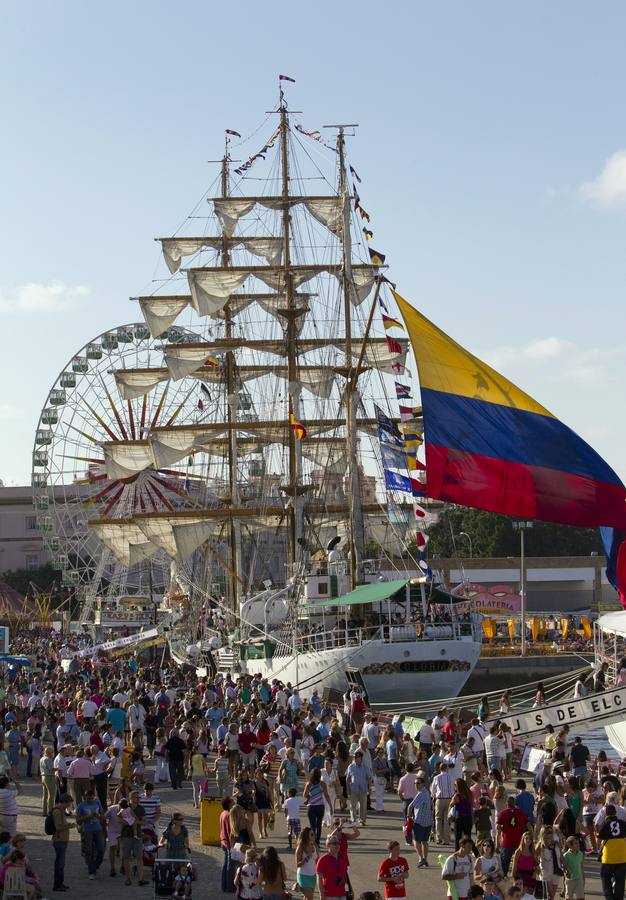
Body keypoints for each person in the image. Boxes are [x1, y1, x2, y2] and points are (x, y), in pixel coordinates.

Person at [119, 790, 148, 886]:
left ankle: (141, 879)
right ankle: (127, 878)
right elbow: (119, 819)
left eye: (139, 797)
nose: (139, 799)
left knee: (139, 857)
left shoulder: (141, 808)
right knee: (126, 857)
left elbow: (144, 822)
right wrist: (129, 822)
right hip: (126, 835)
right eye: (137, 797)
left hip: (137, 836)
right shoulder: (124, 806)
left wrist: (135, 822)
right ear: (131, 798)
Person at [598, 804, 626, 900]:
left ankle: (609, 897)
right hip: (622, 855)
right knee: (620, 880)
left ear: (606, 814)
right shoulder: (623, 823)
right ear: (615, 813)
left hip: (608, 856)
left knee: (605, 877)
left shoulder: (605, 824)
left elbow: (600, 835)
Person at [76, 786, 105, 880]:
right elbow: (78, 821)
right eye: (88, 798)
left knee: (101, 849)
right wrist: (88, 817)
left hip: (98, 829)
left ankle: (95, 866)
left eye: (92, 798)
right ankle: (91, 871)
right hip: (87, 830)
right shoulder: (81, 806)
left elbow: (103, 817)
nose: (90, 800)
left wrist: (98, 816)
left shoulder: (97, 803)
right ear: (85, 797)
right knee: (89, 851)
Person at [497, 797, 529, 877]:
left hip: (507, 843)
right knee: (519, 866)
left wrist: (497, 843)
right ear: (515, 803)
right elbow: (529, 825)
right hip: (519, 844)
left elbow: (498, 827)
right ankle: (517, 881)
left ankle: (504, 881)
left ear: (506, 804)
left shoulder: (503, 813)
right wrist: (532, 837)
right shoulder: (521, 813)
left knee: (504, 866)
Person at [407, 775, 433, 867]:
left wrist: (408, 817)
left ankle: (421, 858)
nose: (416, 785)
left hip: (420, 821)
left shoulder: (421, 793)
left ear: (423, 784)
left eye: (418, 783)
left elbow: (410, 806)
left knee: (416, 840)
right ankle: (425, 859)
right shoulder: (427, 792)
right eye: (415, 783)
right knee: (424, 841)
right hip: (428, 821)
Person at [50, 793, 74, 892]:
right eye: (68, 803)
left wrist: (68, 825)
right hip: (59, 840)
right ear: (65, 802)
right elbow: (58, 827)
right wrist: (69, 826)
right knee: (59, 864)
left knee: (61, 864)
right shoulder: (57, 811)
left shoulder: (61, 811)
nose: (69, 805)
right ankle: (57, 884)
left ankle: (60, 883)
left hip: (62, 840)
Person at [304, 767, 331, 846]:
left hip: (311, 806)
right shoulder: (322, 784)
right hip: (320, 806)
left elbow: (304, 794)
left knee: (313, 827)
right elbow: (326, 795)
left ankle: (312, 843)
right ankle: (317, 843)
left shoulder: (309, 784)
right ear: (319, 775)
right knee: (319, 826)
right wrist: (330, 806)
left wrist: (309, 797)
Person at [317, 833, 348, 900]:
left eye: (338, 843)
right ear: (327, 846)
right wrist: (321, 894)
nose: (337, 845)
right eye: (334, 843)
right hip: (329, 895)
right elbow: (319, 879)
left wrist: (350, 888)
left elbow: (345, 874)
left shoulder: (342, 858)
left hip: (342, 893)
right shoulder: (323, 860)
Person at [346, 750, 372, 826]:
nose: (355, 759)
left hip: (363, 789)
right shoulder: (351, 766)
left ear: (361, 758)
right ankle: (353, 820)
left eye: (357, 757)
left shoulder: (365, 766)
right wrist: (348, 789)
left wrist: (370, 788)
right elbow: (348, 779)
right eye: (355, 757)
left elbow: (369, 778)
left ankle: (362, 820)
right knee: (352, 806)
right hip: (353, 789)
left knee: (363, 806)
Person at [537, 826, 563, 900]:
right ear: (543, 834)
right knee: (550, 895)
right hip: (545, 873)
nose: (550, 834)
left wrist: (566, 868)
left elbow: (561, 857)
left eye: (551, 832)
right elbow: (534, 857)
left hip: (556, 872)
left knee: (551, 897)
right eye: (547, 832)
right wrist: (537, 867)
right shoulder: (540, 846)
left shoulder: (556, 844)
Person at [296, 827, 319, 900]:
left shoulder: (315, 845)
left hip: (313, 875)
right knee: (310, 898)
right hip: (303, 876)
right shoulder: (300, 847)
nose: (314, 836)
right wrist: (307, 858)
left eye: (314, 834)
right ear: (306, 836)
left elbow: (317, 860)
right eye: (312, 834)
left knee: (307, 898)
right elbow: (298, 864)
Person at [562, 835, 585, 900]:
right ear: (570, 845)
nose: (578, 845)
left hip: (579, 878)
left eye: (578, 843)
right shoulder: (566, 855)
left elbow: (581, 866)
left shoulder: (580, 854)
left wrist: (583, 876)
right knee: (568, 897)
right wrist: (566, 874)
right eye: (576, 843)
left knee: (581, 897)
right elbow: (564, 868)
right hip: (570, 879)